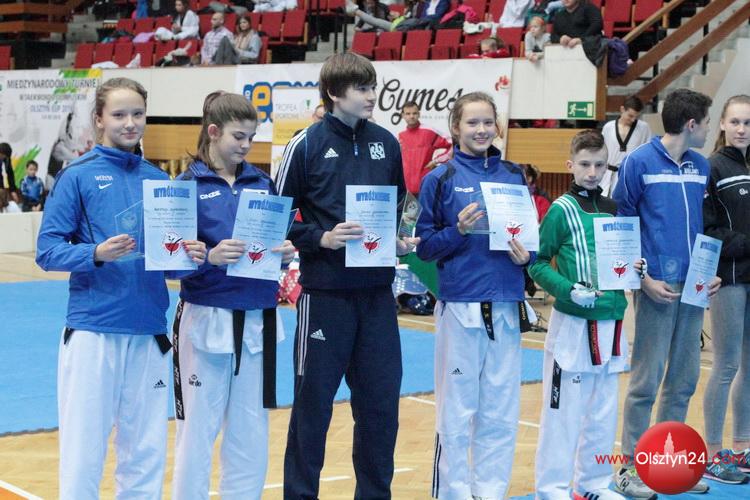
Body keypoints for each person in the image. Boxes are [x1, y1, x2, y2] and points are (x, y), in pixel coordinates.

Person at [35, 77, 206, 500]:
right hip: (93, 330)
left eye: (137, 114)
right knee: (83, 451)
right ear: (98, 119)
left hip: (149, 331)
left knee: (145, 451)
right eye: (119, 114)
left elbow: (169, 263)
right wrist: (95, 253)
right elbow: (47, 250)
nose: (130, 123)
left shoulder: (159, 181)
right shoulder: (76, 176)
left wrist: (192, 255)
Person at [274, 52, 419, 499]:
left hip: (377, 297)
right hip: (325, 296)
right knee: (312, 408)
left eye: (373, 86)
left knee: (380, 410)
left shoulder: (386, 143)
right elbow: (276, 217)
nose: (372, 95)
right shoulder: (306, 144)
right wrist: (320, 237)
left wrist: (395, 239)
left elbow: (398, 206)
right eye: (362, 88)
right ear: (335, 93)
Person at [171, 91, 295, 499]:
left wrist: (283, 254)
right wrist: (208, 258)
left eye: (251, 138)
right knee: (197, 430)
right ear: (213, 132)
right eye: (238, 137)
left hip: (258, 317)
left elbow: (270, 247)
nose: (246, 145)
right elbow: (167, 263)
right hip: (206, 315)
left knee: (250, 431)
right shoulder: (186, 186)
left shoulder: (262, 183)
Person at [416, 91, 532, 500]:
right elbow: (424, 248)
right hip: (461, 307)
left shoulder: (514, 176)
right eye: (472, 122)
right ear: (455, 128)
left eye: (487, 122)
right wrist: (458, 231)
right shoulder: (440, 178)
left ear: (496, 126)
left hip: (506, 303)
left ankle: (490, 491)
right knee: (457, 409)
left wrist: (528, 257)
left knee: (500, 410)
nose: (481, 130)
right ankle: (452, 493)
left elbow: (529, 241)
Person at [612, 88, 720, 498]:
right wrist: (641, 280)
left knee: (683, 380)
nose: (709, 129)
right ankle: (630, 467)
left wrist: (708, 274)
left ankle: (664, 462)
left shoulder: (700, 166)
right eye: (706, 122)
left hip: (694, 288)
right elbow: (622, 224)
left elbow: (703, 226)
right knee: (646, 381)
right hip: (656, 286)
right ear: (691, 124)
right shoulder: (638, 162)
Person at [531, 130, 644, 500]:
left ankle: (593, 483)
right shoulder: (560, 210)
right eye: (584, 164)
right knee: (562, 410)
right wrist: (567, 289)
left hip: (613, 321)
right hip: (573, 324)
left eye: (598, 164)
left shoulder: (614, 209)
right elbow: (536, 263)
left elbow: (622, 259)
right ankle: (552, 488)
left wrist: (636, 269)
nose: (592, 172)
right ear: (570, 165)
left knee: (602, 411)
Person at [701, 94, 750, 484]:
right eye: (735, 121)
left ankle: (743, 447)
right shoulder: (712, 167)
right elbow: (708, 229)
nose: (741, 129)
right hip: (729, 279)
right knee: (726, 365)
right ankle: (713, 453)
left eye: (748, 123)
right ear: (721, 123)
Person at [599, 96, 652, 196]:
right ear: (622, 109)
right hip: (608, 174)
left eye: (636, 117)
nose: (633, 120)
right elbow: (601, 151)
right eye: (630, 116)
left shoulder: (644, 128)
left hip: (631, 175)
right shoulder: (608, 127)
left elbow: (648, 153)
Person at [398, 100, 452, 195]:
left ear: (419, 114)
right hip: (407, 189)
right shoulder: (401, 136)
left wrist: (436, 161)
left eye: (414, 113)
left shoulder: (429, 132)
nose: (411, 116)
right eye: (408, 113)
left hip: (426, 185)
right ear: (403, 115)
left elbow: (453, 145)